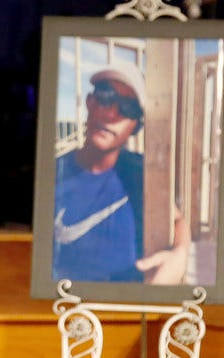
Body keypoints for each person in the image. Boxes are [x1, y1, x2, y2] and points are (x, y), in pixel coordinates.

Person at [52, 60, 190, 285]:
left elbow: (177, 220)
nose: (111, 114)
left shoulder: (141, 172)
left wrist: (180, 255)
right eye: (106, 96)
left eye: (127, 108)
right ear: (89, 102)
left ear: (135, 126)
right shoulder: (54, 174)